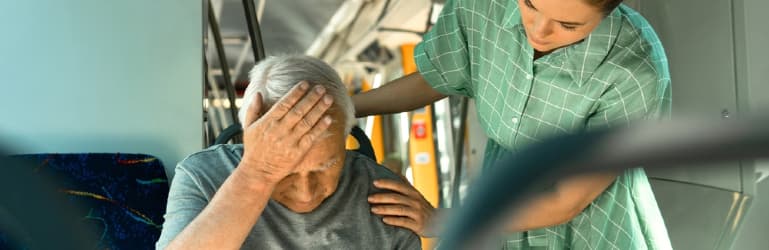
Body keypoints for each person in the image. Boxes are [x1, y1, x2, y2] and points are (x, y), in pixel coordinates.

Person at [355, 0, 672, 249]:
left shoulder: (635, 70)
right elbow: (437, 78)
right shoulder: (483, 5)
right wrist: (350, 105)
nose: (539, 30)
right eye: (530, 4)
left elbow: (566, 201)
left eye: (568, 25)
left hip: (593, 223)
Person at [156, 55, 421, 249]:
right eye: (284, 171)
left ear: (344, 140)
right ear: (250, 139)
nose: (305, 194)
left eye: (325, 166)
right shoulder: (203, 177)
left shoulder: (386, 197)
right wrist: (256, 174)